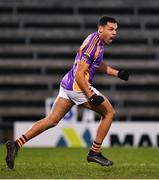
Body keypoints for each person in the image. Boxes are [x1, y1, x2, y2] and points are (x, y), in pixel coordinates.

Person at [5, 15, 129, 169]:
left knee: (51, 120)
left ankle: (16, 144)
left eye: (116, 30)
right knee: (109, 113)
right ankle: (94, 152)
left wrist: (117, 73)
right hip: (78, 86)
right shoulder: (94, 44)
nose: (114, 33)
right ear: (100, 29)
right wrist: (91, 96)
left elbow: (96, 64)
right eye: (111, 29)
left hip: (67, 83)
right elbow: (79, 75)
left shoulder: (96, 41)